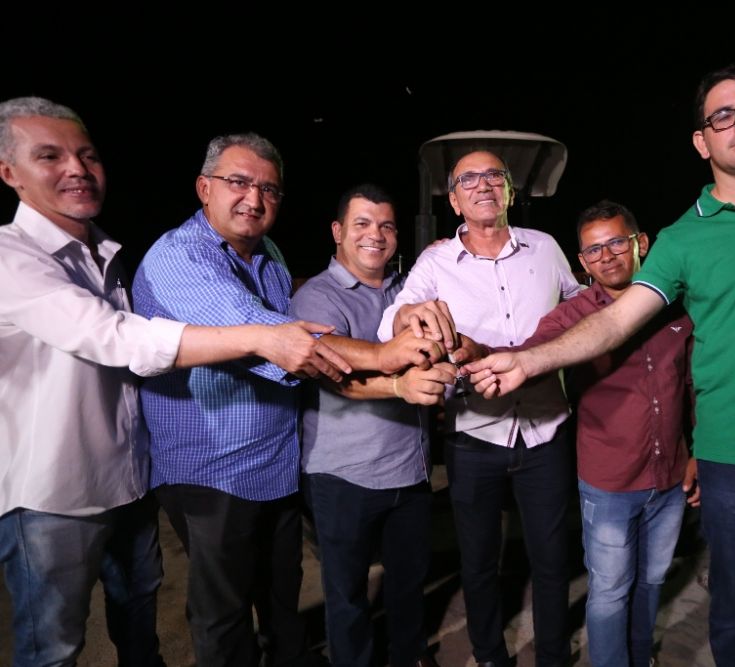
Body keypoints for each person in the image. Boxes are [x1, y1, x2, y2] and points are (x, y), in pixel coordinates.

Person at [466, 63, 735, 666]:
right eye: (722, 116)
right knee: (727, 614)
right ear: (701, 140)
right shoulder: (682, 241)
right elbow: (614, 321)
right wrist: (525, 361)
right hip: (734, 462)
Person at [0, 98, 349, 666]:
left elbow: (277, 310)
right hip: (64, 490)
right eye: (49, 156)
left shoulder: (105, 253)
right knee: (57, 645)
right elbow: (121, 339)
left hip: (134, 474)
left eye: (87, 155)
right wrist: (266, 338)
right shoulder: (16, 258)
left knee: (147, 620)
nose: (77, 169)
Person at [132, 135, 441, 666]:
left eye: (268, 189)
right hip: (213, 470)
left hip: (275, 463)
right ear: (204, 188)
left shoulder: (269, 256)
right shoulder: (181, 256)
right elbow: (281, 340)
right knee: (224, 614)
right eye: (238, 182)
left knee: (281, 601)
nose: (254, 198)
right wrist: (388, 361)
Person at [377, 150, 581, 666]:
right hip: (474, 436)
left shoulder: (545, 248)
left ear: (510, 189)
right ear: (454, 200)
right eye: (468, 179)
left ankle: (553, 655)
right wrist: (411, 314)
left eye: (494, 175)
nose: (483, 185)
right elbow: (390, 322)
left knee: (552, 559)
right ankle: (490, 655)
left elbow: (581, 304)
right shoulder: (436, 262)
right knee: (479, 561)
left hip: (546, 432)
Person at [520, 200, 698, 666]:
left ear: (642, 243)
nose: (607, 256)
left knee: (652, 581)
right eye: (594, 250)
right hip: (609, 483)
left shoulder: (675, 308)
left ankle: (640, 657)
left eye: (617, 242)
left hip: (671, 478)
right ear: (582, 260)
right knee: (610, 590)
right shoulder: (573, 316)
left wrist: (697, 453)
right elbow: (531, 354)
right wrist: (480, 356)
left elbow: (692, 386)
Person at [289, 184, 454, 667]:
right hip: (343, 475)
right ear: (338, 232)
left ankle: (410, 655)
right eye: (361, 223)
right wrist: (400, 384)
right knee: (347, 594)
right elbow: (332, 372)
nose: (375, 235)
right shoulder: (316, 296)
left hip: (411, 470)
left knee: (408, 583)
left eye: (386, 226)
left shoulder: (409, 291)